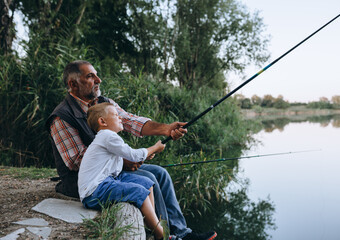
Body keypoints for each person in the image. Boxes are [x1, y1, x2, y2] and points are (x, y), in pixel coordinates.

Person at [46, 60, 217, 240]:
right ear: (73, 84)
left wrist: (166, 129)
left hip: (112, 172)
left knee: (161, 173)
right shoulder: (61, 117)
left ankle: (182, 232)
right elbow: (76, 161)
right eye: (90, 76)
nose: (98, 79)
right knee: (148, 177)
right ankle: (165, 235)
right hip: (85, 182)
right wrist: (125, 161)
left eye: (96, 74)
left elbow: (131, 121)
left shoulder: (104, 103)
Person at [78, 102, 166, 240]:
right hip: (94, 191)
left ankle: (150, 225)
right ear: (102, 121)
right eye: (116, 115)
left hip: (106, 182)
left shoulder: (106, 138)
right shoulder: (107, 136)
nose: (121, 118)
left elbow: (126, 159)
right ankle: (160, 234)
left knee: (147, 183)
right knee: (138, 191)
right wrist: (154, 148)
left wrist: (145, 155)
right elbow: (133, 154)